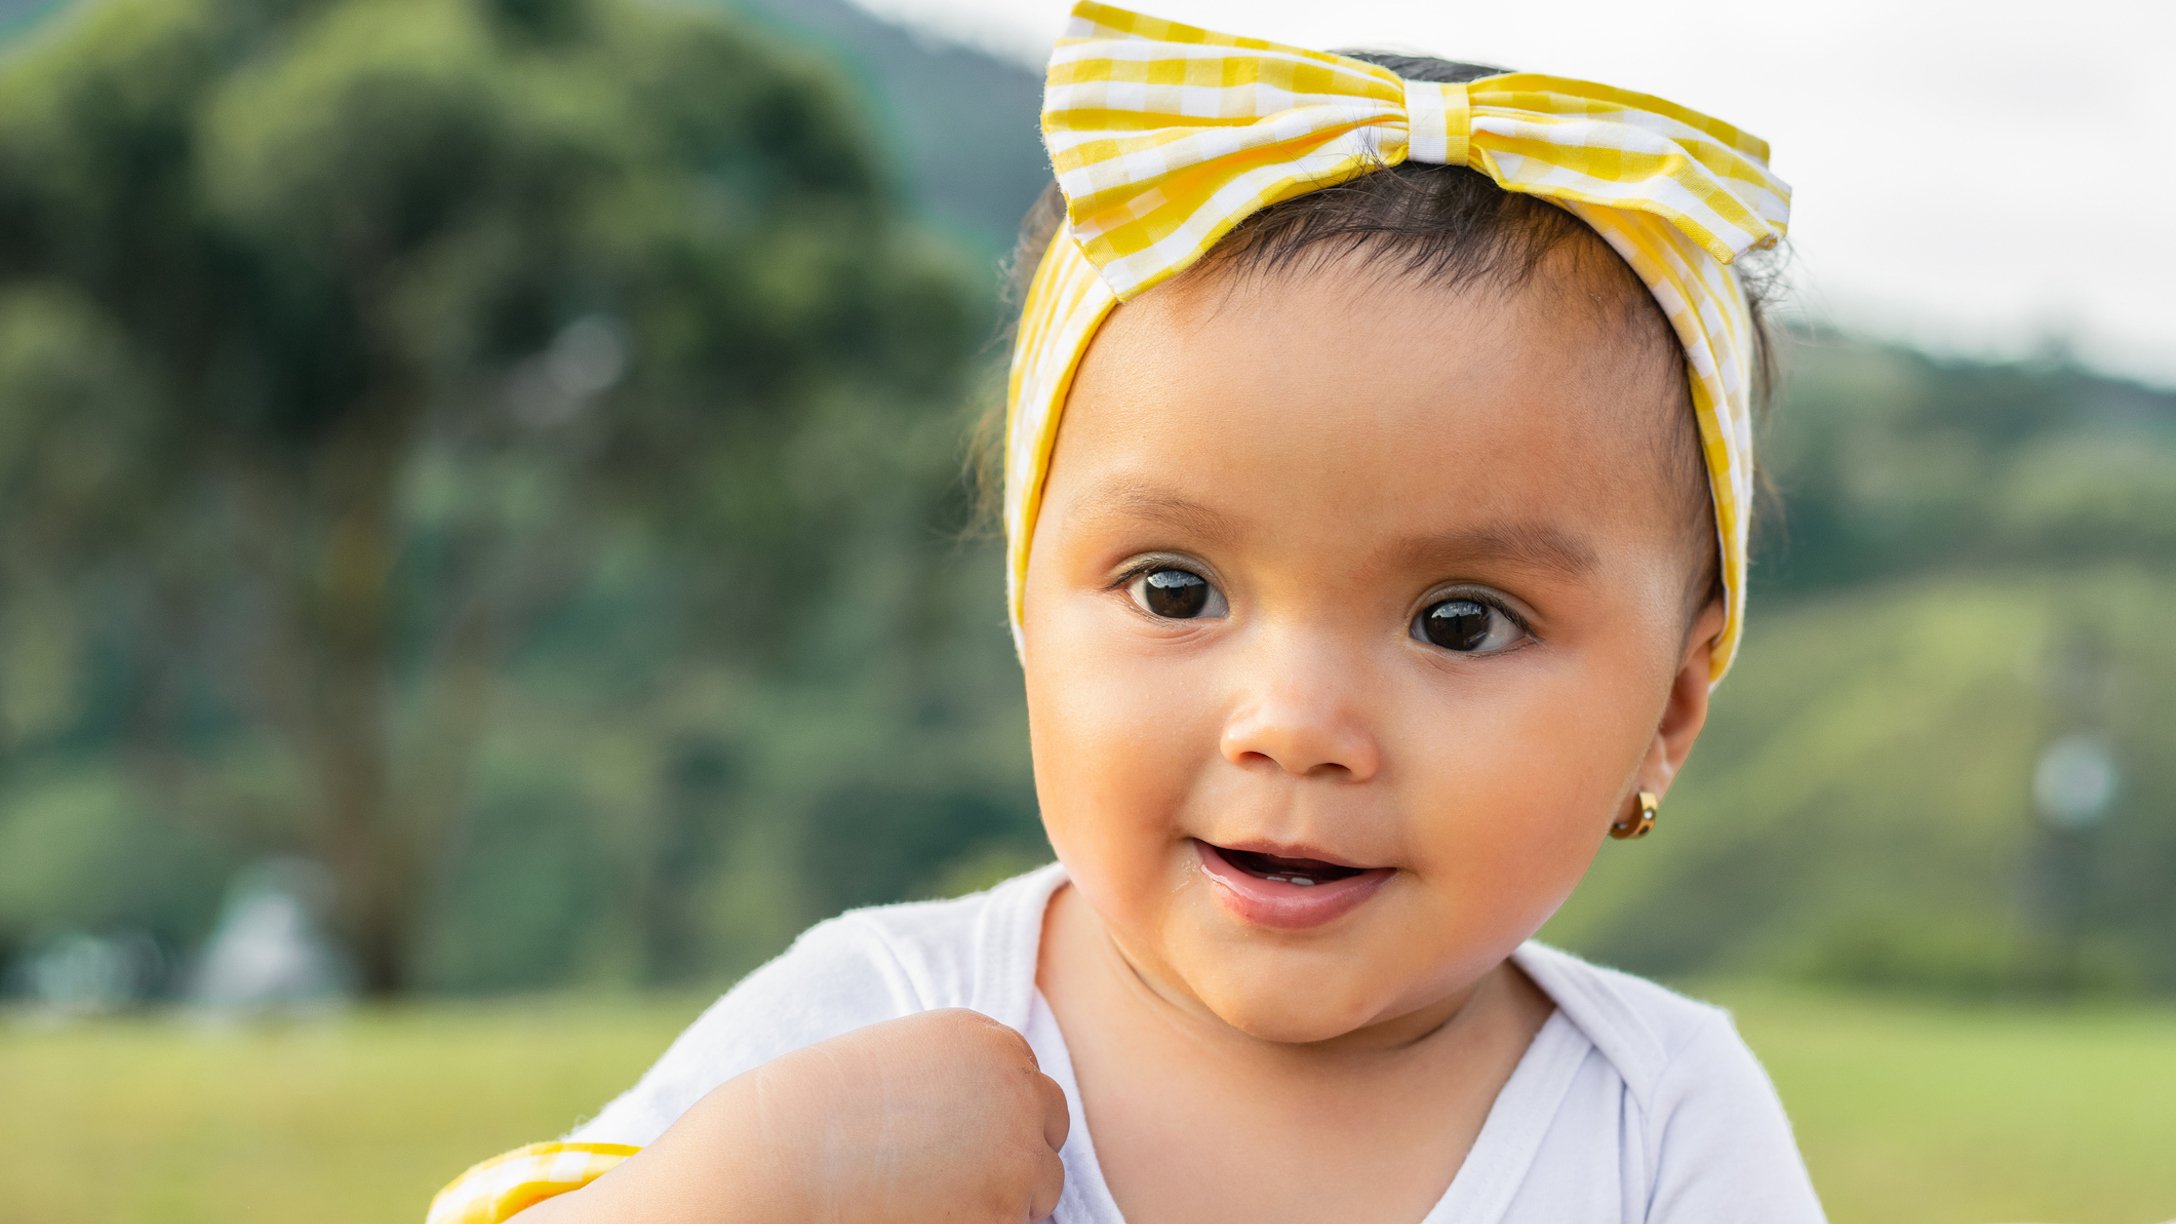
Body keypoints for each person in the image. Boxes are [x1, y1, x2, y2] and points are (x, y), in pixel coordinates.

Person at [427, 2, 1823, 1220]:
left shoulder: (1663, 1127)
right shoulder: (878, 1022)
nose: (1295, 725)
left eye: (1460, 622)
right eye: (1177, 590)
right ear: (1029, 600)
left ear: (1672, 708)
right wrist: (738, 1193)